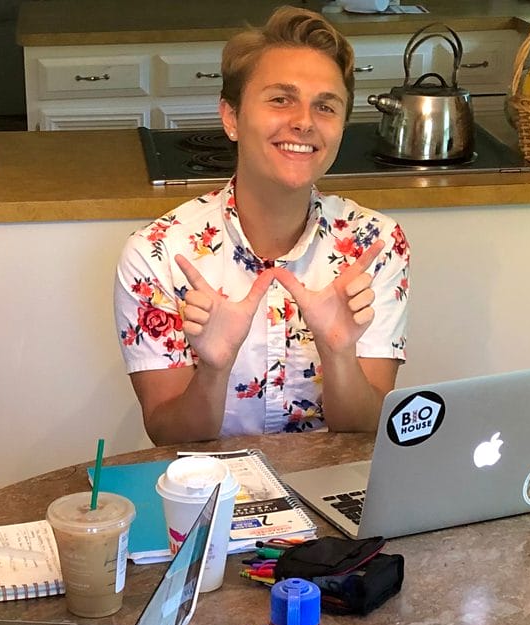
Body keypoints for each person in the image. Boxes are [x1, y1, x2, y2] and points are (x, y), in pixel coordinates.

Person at [114, 6, 410, 445]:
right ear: (231, 117)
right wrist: (213, 369)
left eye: (325, 106)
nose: (305, 122)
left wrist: (338, 352)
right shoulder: (157, 253)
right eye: (280, 99)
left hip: (333, 494)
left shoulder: (375, 245)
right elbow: (167, 434)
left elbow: (365, 432)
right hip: (212, 497)